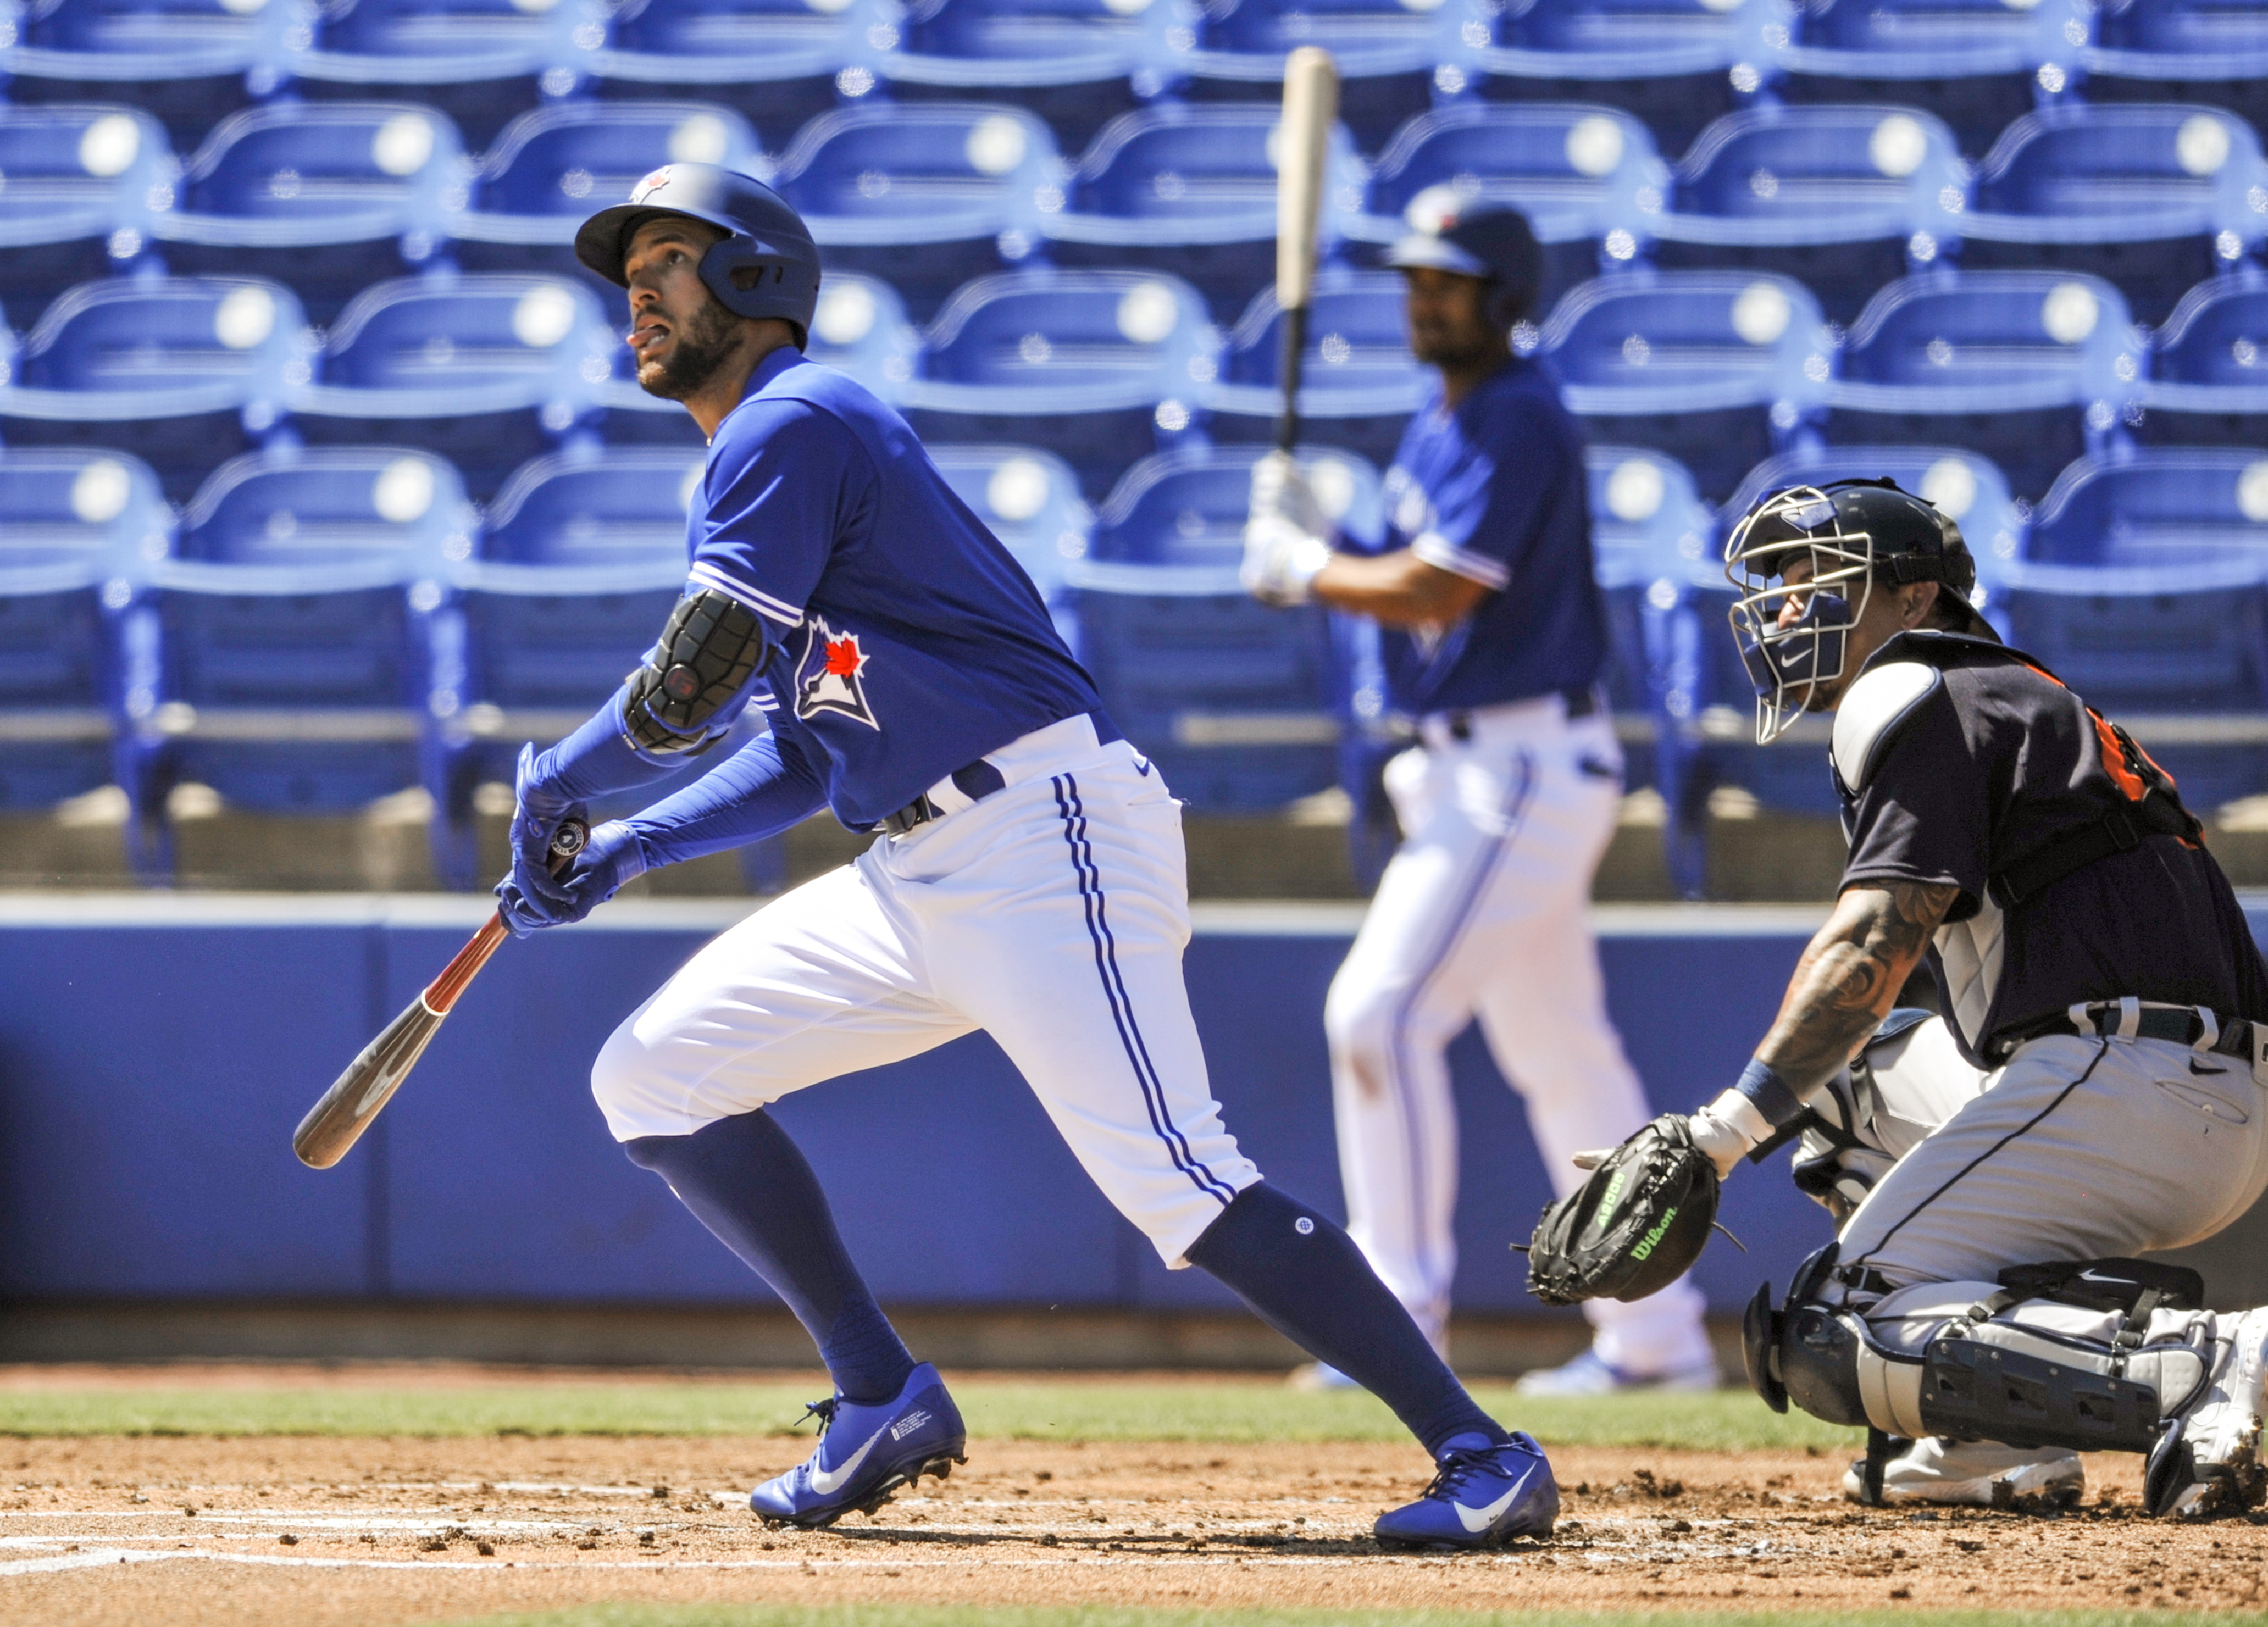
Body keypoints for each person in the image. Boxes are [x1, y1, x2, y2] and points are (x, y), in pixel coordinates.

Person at [494, 160, 1559, 1549]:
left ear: (755, 279)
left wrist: (562, 779)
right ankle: (879, 1391)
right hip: (918, 865)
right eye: (624, 274)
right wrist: (629, 846)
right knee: (653, 1076)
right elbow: (802, 749)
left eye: (669, 262)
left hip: (1043, 833)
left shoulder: (794, 419)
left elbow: (690, 678)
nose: (635, 291)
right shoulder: (756, 457)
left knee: (1178, 1175)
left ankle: (1482, 1448)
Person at [1552, 475, 2268, 1517]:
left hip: (2134, 1080)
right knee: (1853, 1089)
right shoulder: (2000, 693)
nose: (1788, 603)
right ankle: (1988, 1445)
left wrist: (1716, 1135)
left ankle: (2202, 1360)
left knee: (1839, 1319)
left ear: (1916, 597)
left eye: (1818, 577)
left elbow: (1869, 949)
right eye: (1782, 581)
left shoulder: (1913, 686)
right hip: (2179, 1084)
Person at [1241, 202, 1716, 1396]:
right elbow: (1402, 560)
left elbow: (1442, 589)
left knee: (1378, 1018)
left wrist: (1310, 570)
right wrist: (1322, 529)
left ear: (1507, 293)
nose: (1424, 299)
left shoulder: (1520, 415)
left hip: (1517, 767)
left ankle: (1392, 1319)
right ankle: (1659, 1341)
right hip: (1478, 764)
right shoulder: (1444, 418)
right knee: (1569, 1062)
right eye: (1416, 280)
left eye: (1451, 282)